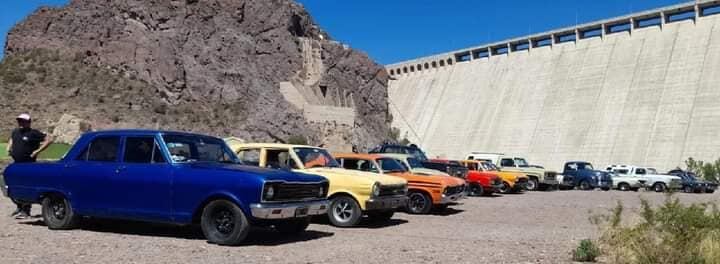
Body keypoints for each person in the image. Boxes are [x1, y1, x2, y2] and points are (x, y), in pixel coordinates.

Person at [6, 113, 53, 219]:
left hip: (28, 165)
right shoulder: (16, 131)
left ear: (28, 122)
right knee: (13, 185)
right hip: (16, 164)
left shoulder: (33, 133)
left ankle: (26, 211)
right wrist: (9, 147)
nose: (20, 123)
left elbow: (49, 140)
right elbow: (12, 138)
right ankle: (19, 207)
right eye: (19, 121)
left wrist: (37, 151)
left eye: (23, 121)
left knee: (25, 186)